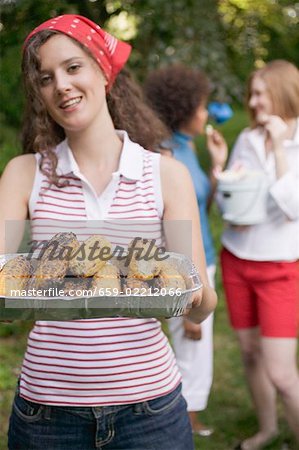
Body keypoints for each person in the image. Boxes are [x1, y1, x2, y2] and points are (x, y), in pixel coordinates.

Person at [0, 15, 217, 450]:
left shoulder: (165, 175)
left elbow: (203, 305)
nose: (61, 84)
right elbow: (4, 285)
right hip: (47, 413)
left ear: (104, 70)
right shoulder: (25, 175)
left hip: (150, 410)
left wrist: (188, 292)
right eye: (46, 77)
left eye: (73, 67)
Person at [220, 60, 299, 450]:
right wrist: (224, 176)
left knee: (283, 373)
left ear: (283, 93)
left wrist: (282, 147)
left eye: (259, 94)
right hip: (237, 258)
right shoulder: (248, 139)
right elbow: (230, 199)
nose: (252, 103)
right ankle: (267, 430)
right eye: (251, 94)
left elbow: (293, 208)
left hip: (280, 268)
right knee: (250, 354)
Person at [144, 65, 227, 436]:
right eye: (202, 106)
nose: (206, 113)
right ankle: (184, 424)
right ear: (183, 108)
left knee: (198, 349)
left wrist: (217, 166)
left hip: (205, 258)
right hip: (187, 266)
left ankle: (188, 419)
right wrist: (186, 292)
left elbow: (197, 206)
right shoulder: (164, 153)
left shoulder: (188, 146)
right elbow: (164, 227)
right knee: (192, 347)